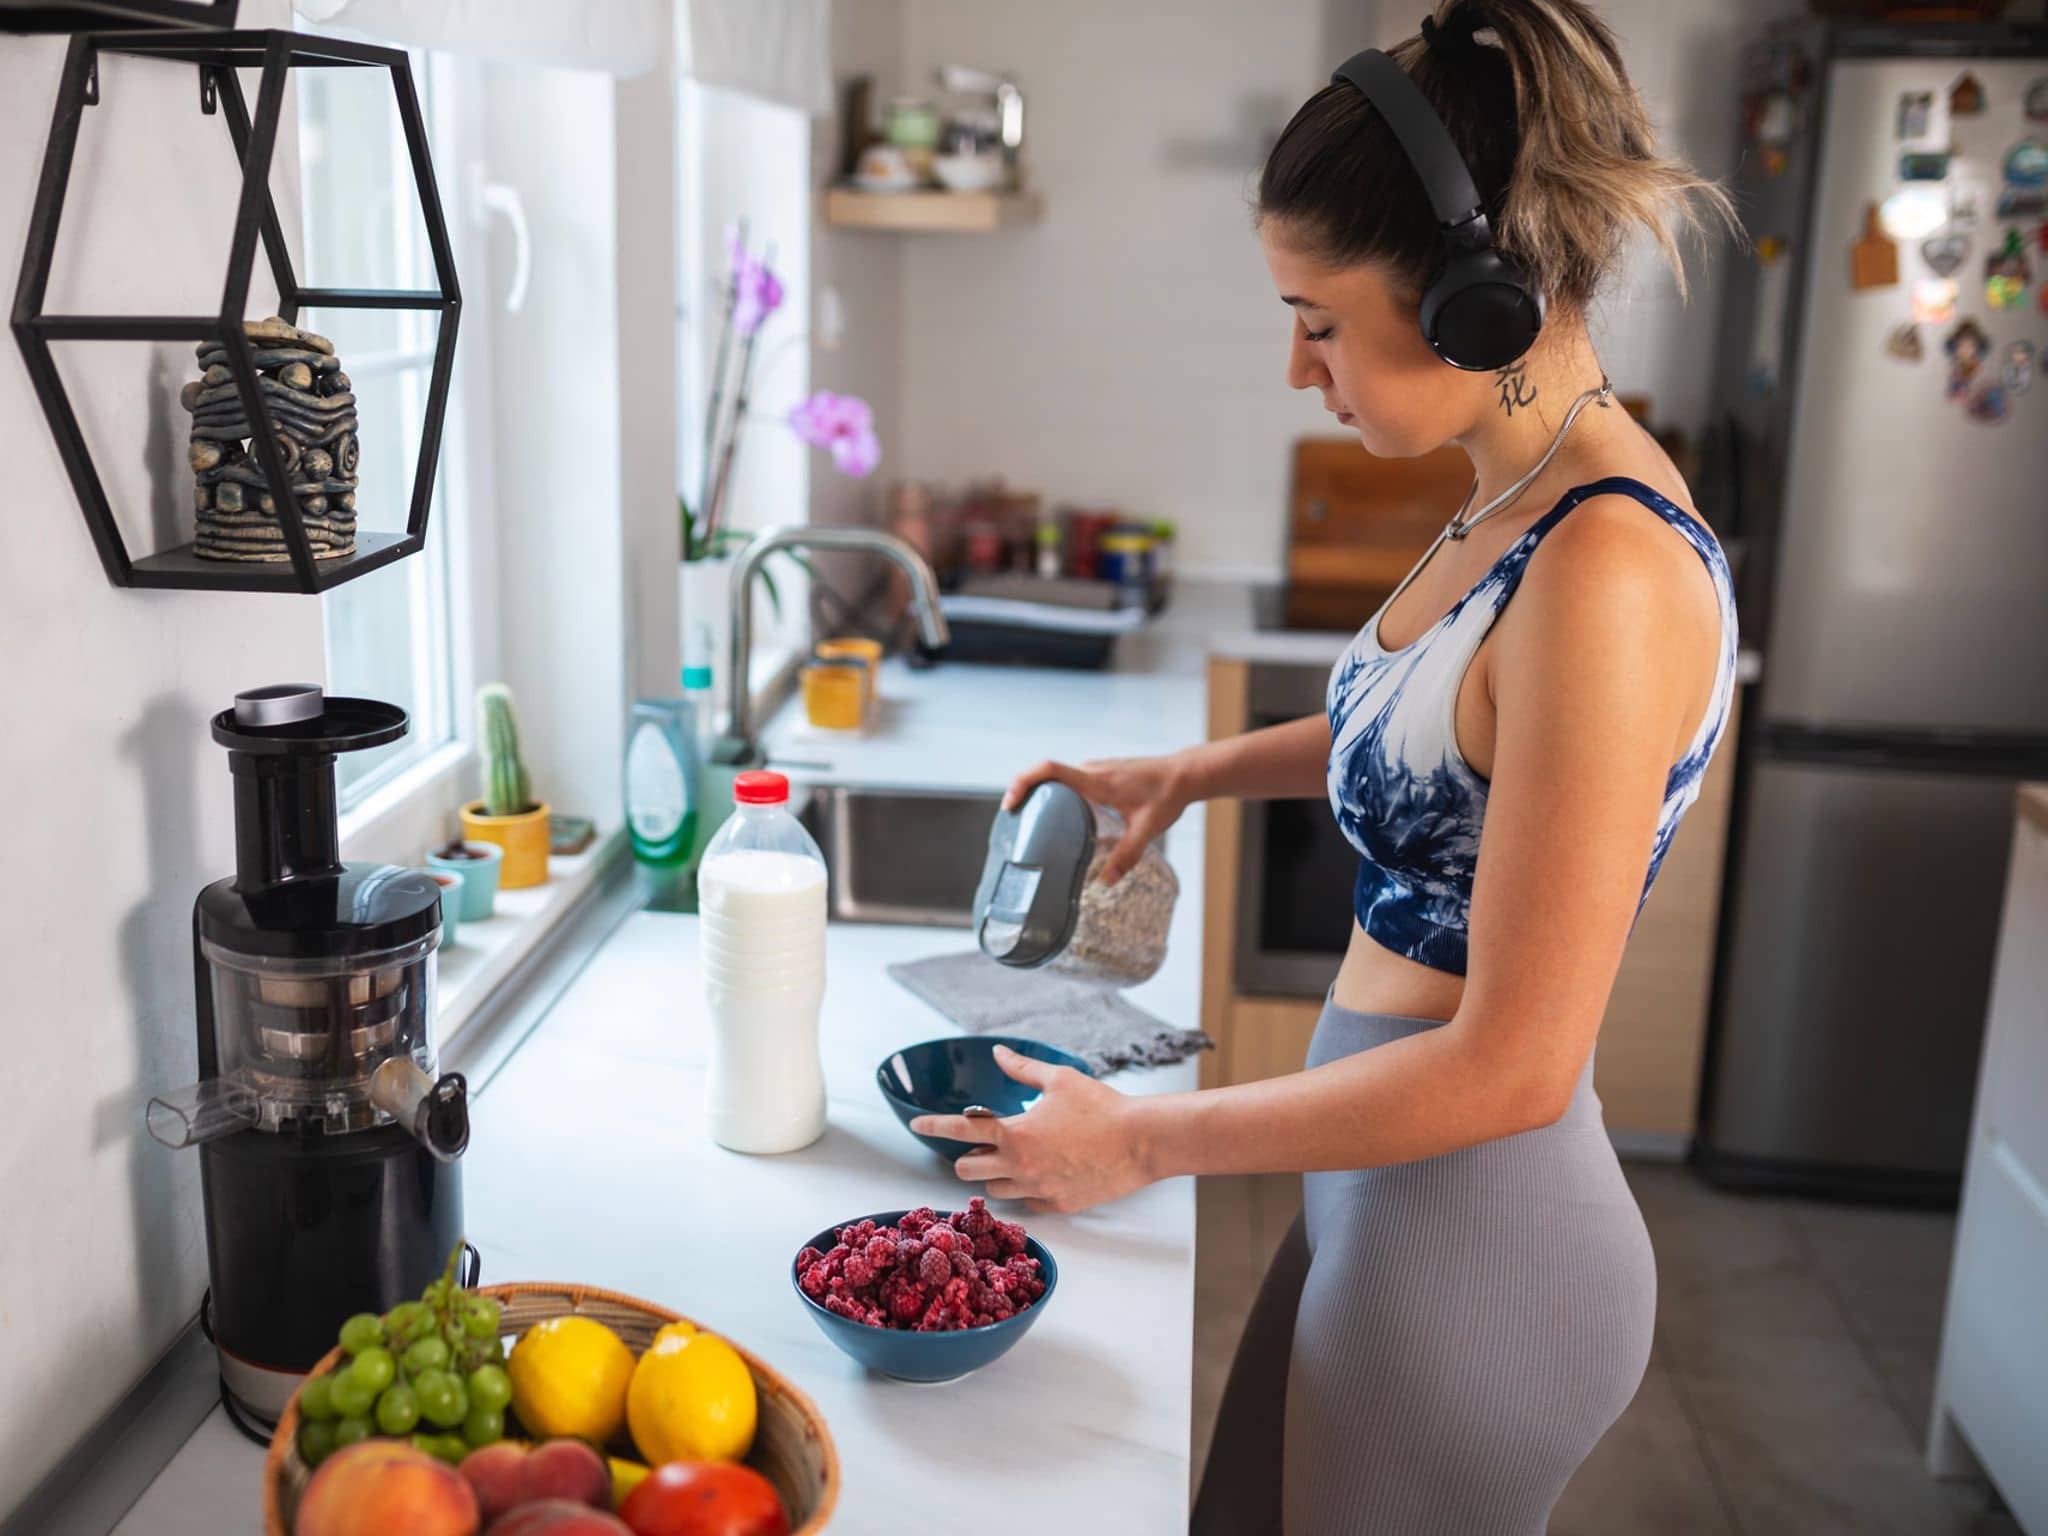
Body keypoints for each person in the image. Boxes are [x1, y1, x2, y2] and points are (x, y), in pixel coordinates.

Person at [909, 1, 1740, 1531]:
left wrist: (1144, 1143)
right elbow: (1437, 733)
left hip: (1482, 1244)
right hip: (1387, 1187)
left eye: (1319, 320)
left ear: (1476, 306)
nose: (1301, 369)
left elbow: (1514, 1063)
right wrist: (1193, 769)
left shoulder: (1608, 571)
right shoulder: (1518, 492)